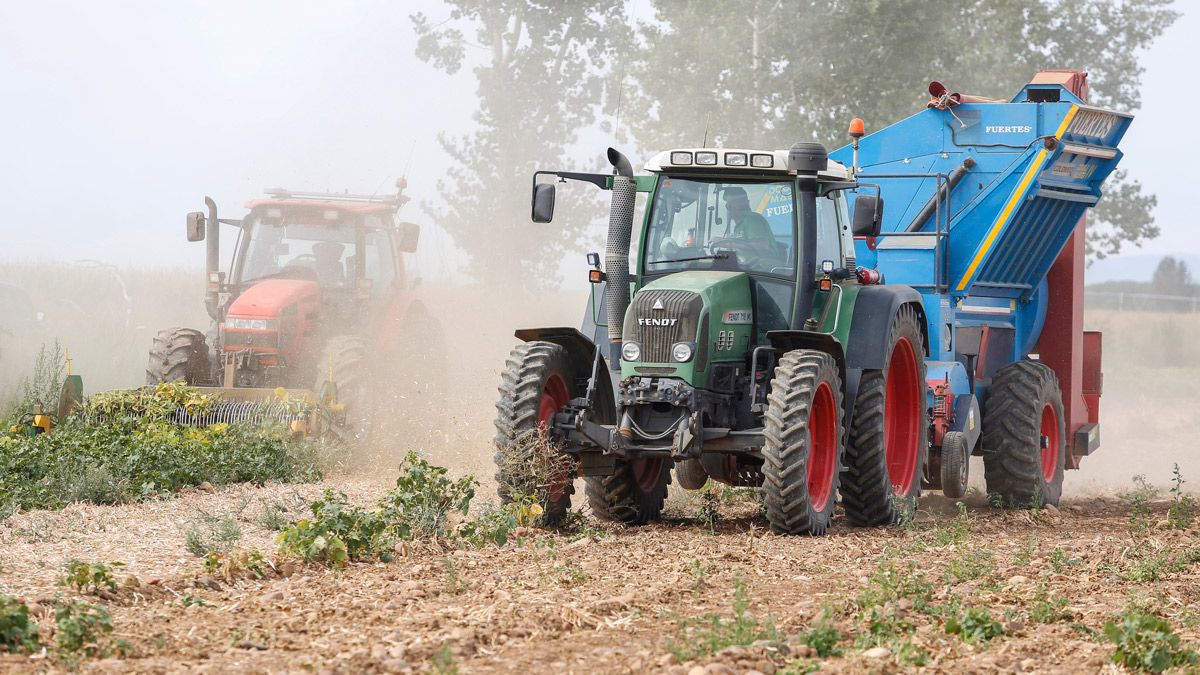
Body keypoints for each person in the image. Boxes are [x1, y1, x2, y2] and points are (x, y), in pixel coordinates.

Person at [721, 186, 782, 269]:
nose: (728, 209)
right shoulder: (739, 226)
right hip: (748, 269)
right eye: (728, 206)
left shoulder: (752, 219)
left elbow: (762, 245)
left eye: (730, 205)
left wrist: (728, 243)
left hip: (762, 272)